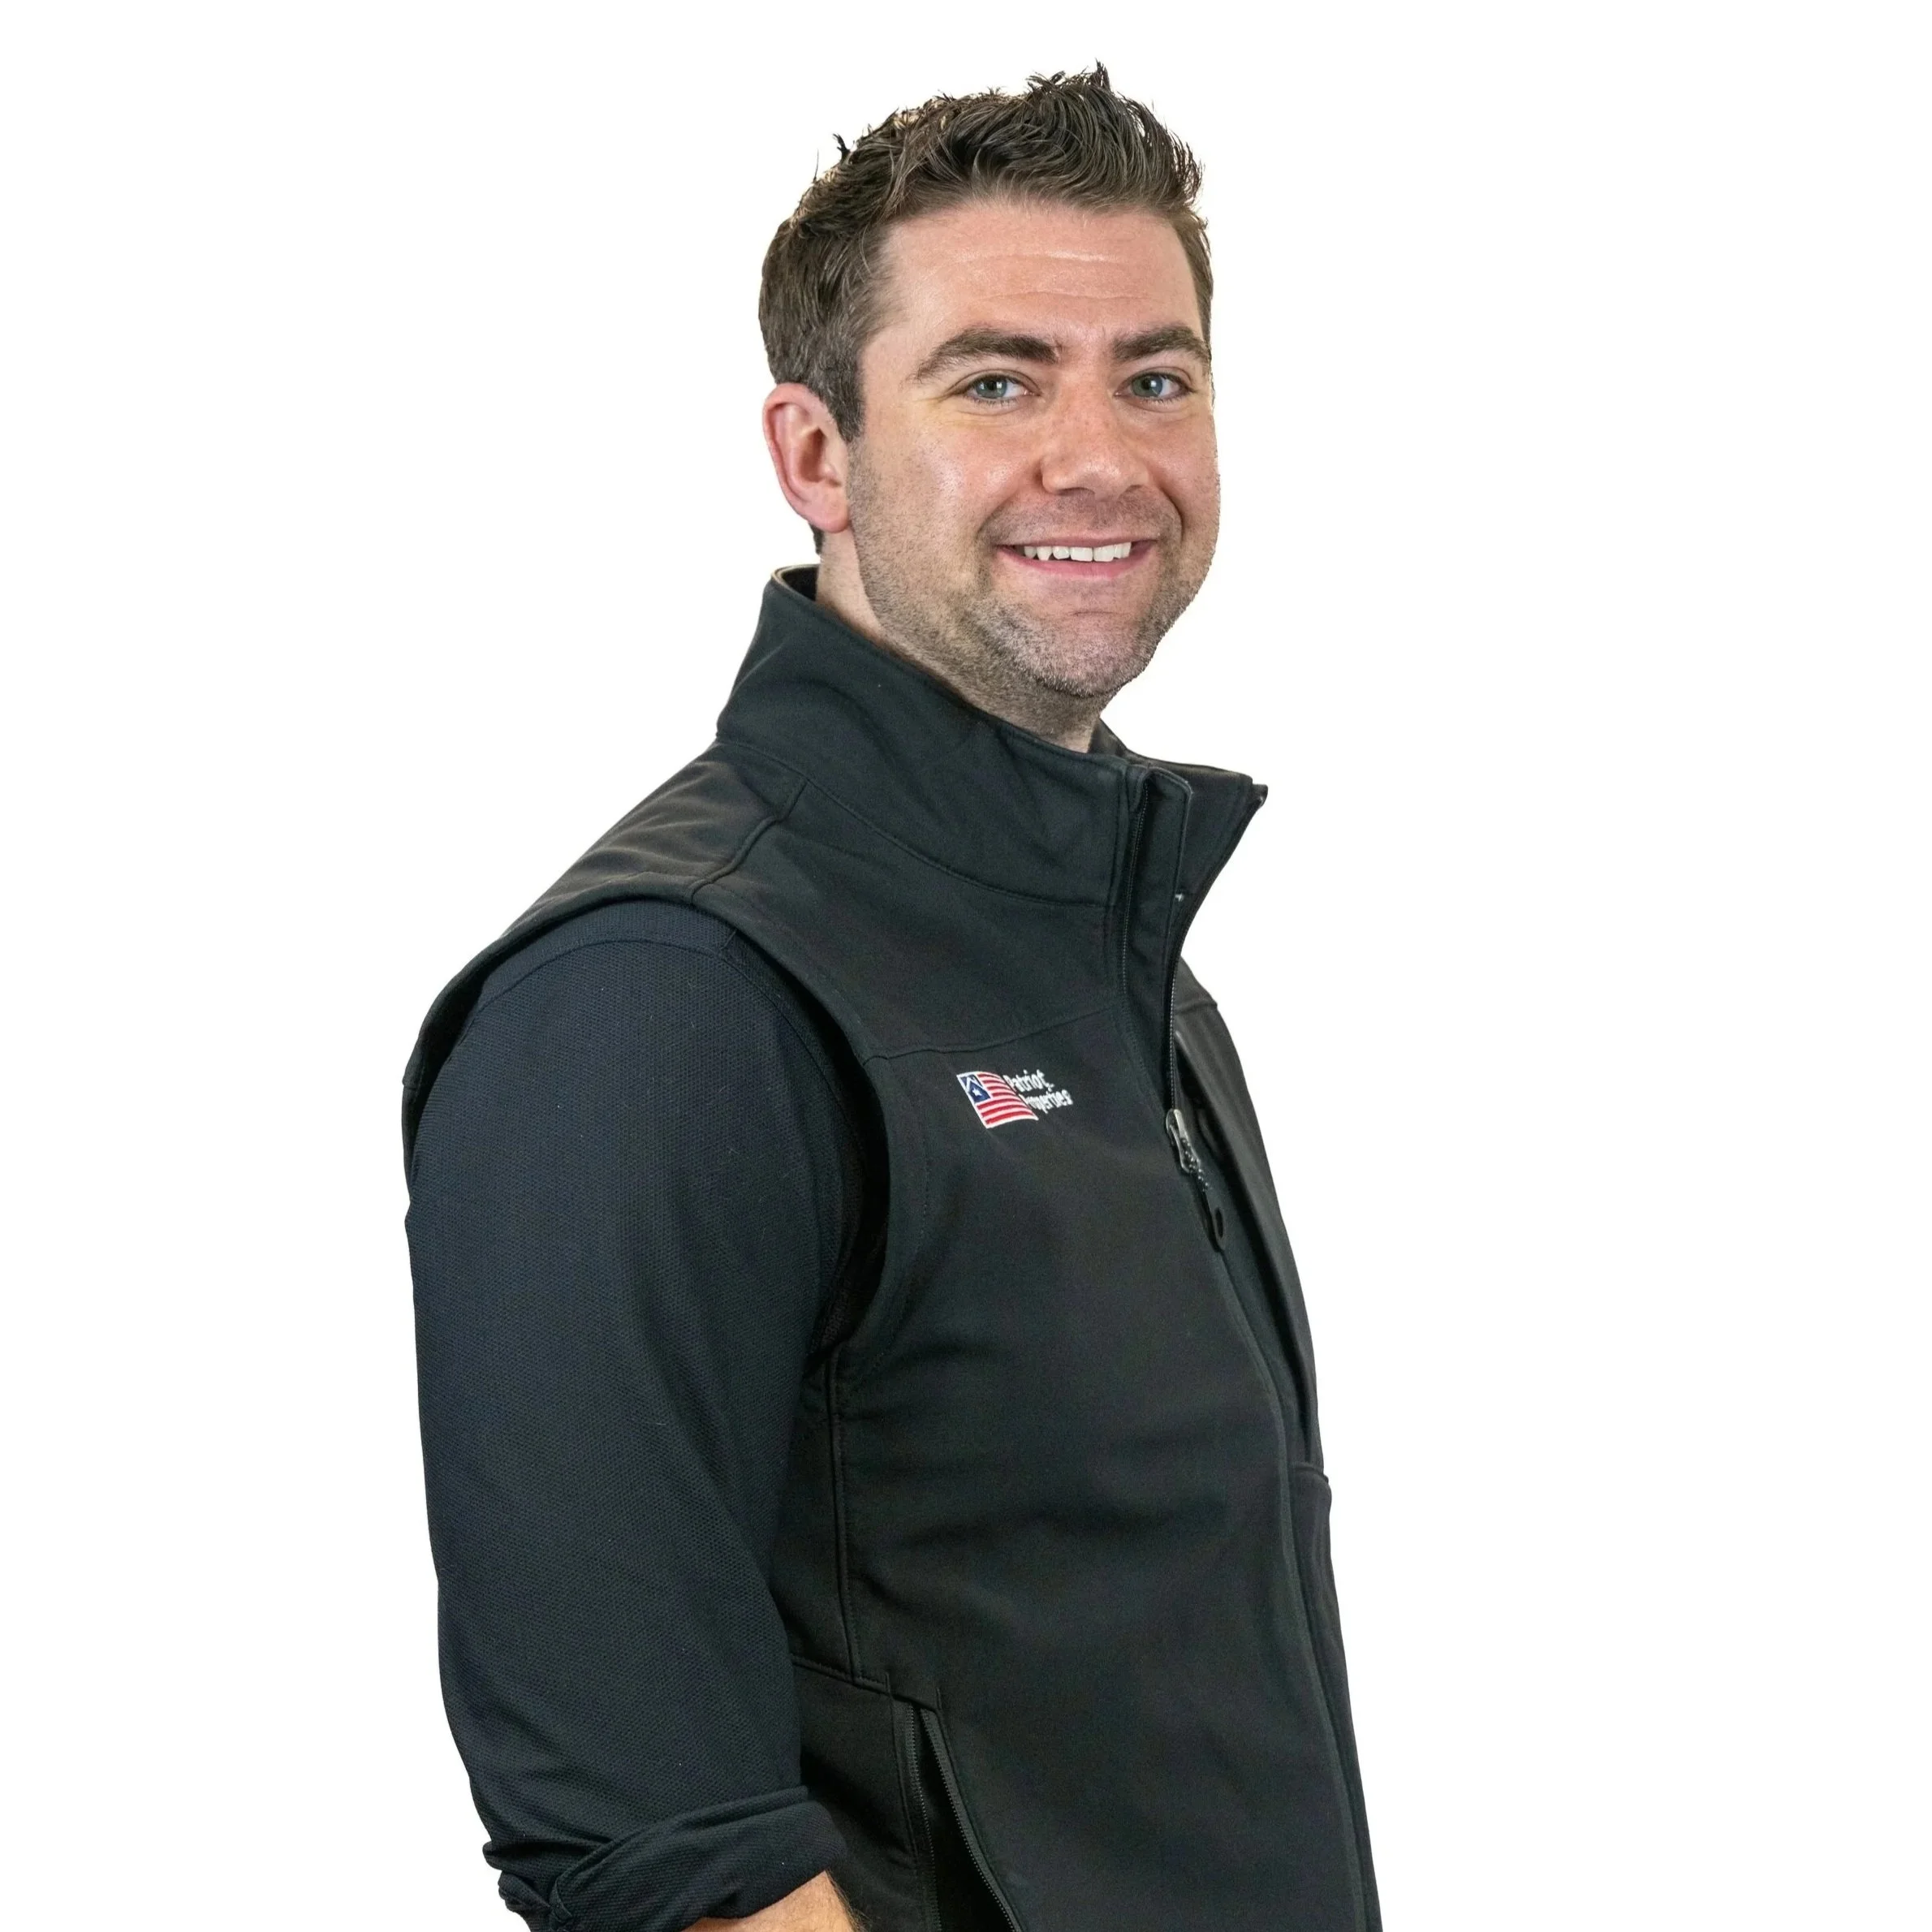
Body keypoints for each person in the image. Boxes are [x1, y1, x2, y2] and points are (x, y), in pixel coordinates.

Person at [405, 67, 1380, 1932]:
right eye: (996, 379)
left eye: (1153, 377)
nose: (1096, 455)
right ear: (815, 454)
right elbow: (659, 1843)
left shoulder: (1109, 957)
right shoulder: (664, 995)